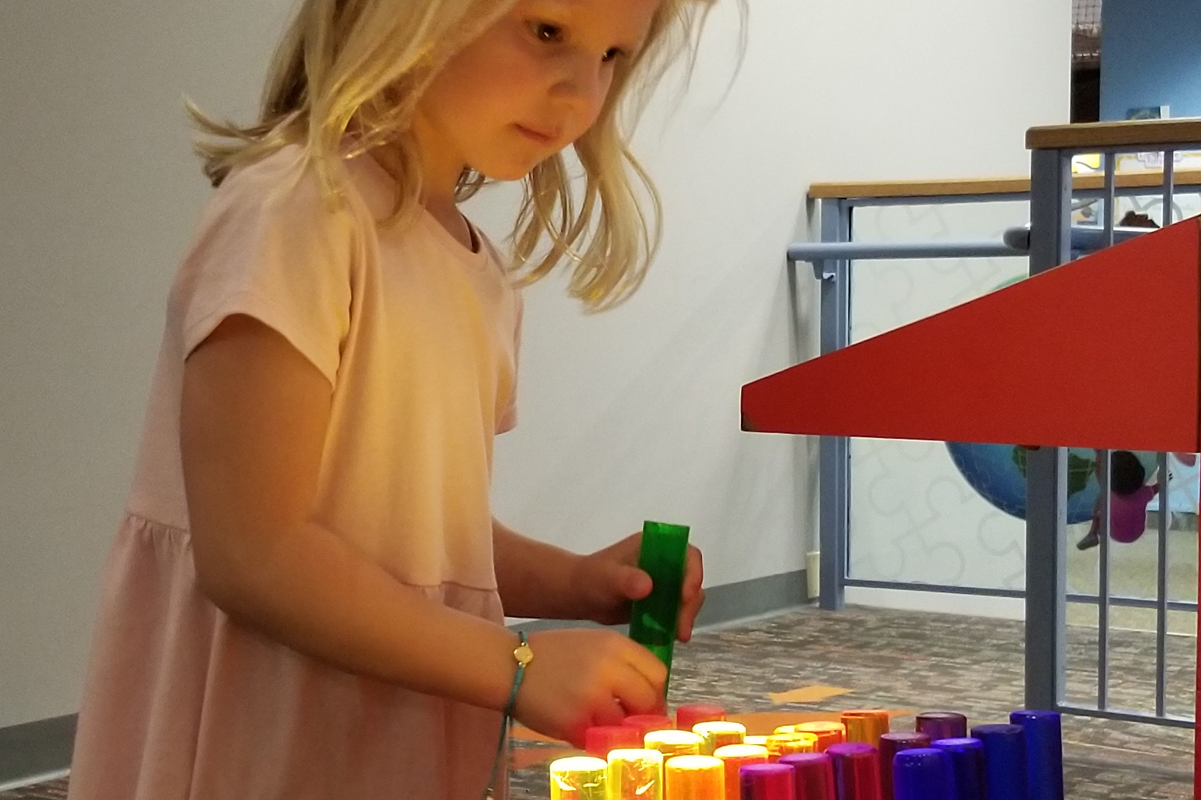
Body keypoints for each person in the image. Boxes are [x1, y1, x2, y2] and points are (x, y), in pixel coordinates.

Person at [64, 0, 719, 797]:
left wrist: (579, 583)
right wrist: (515, 664)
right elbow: (254, 553)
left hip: (388, 741)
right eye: (547, 32)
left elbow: (418, 534)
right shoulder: (297, 213)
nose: (582, 93)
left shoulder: (480, 275)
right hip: (265, 742)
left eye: (614, 56)